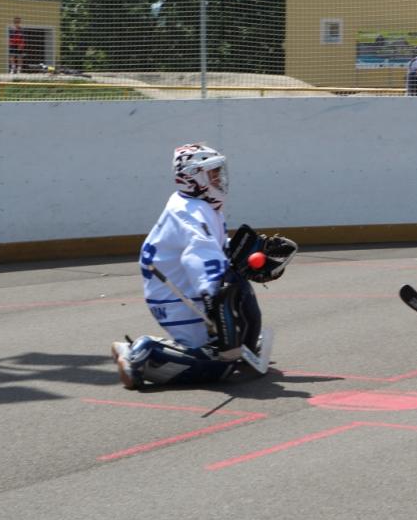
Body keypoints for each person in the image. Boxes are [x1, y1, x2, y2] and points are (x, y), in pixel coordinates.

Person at [110, 143, 297, 390]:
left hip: (182, 288)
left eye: (219, 171)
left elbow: (207, 247)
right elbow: (196, 256)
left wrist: (242, 254)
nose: (219, 178)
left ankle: (241, 346)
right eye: (213, 173)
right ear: (193, 176)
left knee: (234, 294)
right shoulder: (191, 212)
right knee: (220, 365)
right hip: (176, 298)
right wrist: (214, 292)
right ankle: (142, 354)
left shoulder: (199, 206)